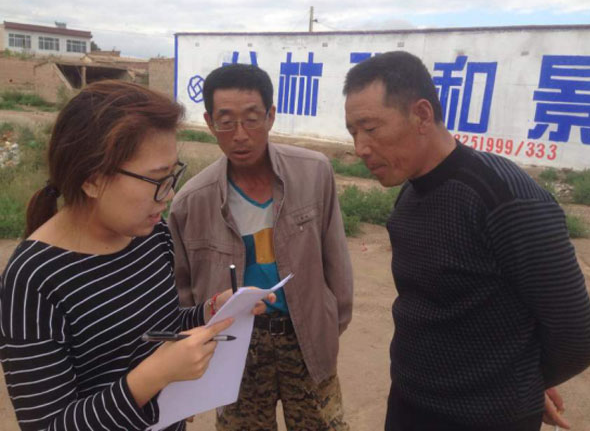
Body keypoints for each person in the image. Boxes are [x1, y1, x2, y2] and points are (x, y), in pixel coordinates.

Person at [343, 51, 590, 431]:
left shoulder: (505, 198)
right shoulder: (410, 194)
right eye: (353, 132)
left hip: (487, 419)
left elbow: (578, 333)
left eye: (371, 128)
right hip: (409, 404)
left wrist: (524, 382)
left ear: (422, 115)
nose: (360, 147)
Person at [0, 81, 270, 431]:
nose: (169, 195)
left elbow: (156, 330)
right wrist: (152, 377)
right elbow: (47, 426)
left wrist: (209, 311)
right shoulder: (34, 279)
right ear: (91, 180)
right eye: (157, 179)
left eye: (173, 175)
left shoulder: (153, 235)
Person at [168, 63, 353, 431]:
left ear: (271, 116)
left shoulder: (314, 173)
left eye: (252, 119)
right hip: (235, 348)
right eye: (226, 122)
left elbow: (336, 261)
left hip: (306, 337)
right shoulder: (190, 202)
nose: (240, 135)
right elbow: (183, 291)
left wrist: (329, 325)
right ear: (209, 123)